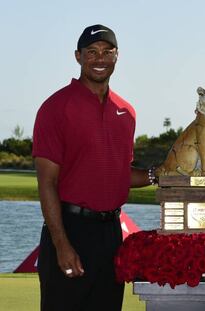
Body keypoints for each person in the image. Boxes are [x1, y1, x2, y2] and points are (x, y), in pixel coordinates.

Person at [32, 24, 157, 311]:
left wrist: (158, 174)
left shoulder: (126, 112)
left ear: (116, 56)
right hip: (70, 228)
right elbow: (47, 183)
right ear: (78, 56)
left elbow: (120, 174)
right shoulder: (56, 107)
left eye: (107, 52)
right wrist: (61, 244)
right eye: (92, 52)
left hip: (112, 234)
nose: (99, 58)